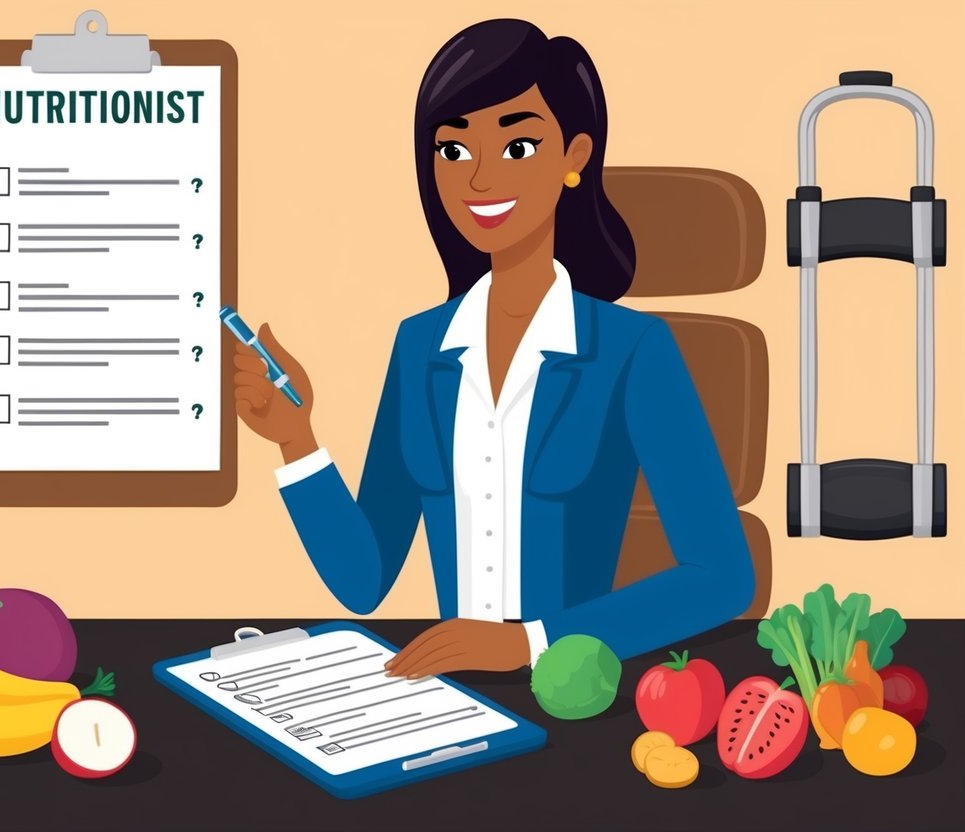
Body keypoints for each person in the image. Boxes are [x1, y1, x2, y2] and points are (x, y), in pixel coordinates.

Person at [232, 19, 754, 679]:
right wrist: (295, 439)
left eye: (517, 146)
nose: (478, 178)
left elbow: (721, 578)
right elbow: (365, 580)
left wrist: (528, 643)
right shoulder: (420, 345)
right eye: (452, 151)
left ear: (574, 156)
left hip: (578, 699)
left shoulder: (631, 349)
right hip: (447, 693)